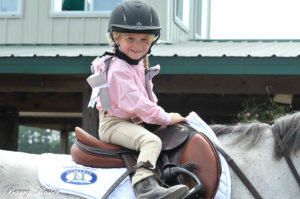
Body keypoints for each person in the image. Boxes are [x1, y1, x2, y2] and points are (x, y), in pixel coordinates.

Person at [88, 0, 189, 198]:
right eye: (130, 38)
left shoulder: (135, 65)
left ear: (152, 41)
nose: (137, 45)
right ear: (116, 39)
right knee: (151, 142)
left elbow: (148, 100)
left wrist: (160, 118)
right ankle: (146, 187)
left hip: (130, 122)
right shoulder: (118, 69)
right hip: (113, 124)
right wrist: (166, 118)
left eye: (144, 39)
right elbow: (138, 104)